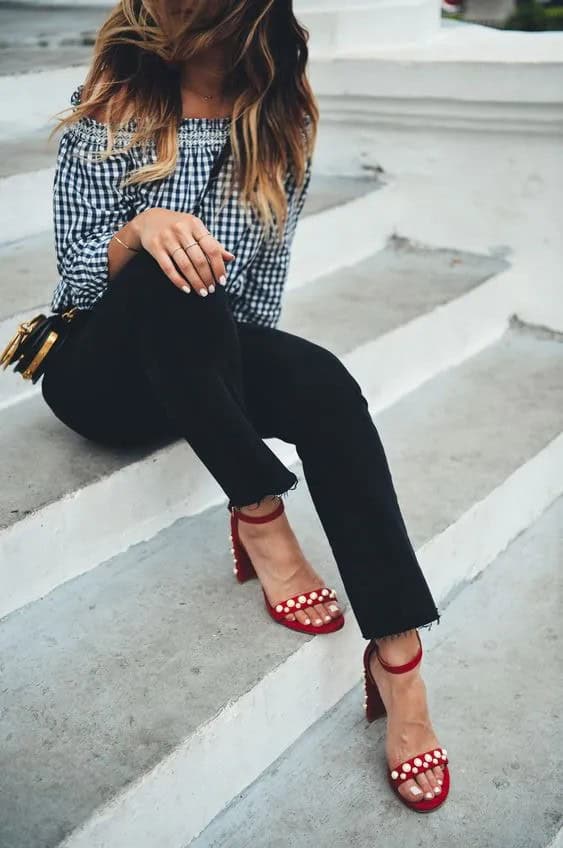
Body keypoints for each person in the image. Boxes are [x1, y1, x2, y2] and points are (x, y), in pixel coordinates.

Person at [40, 0, 449, 812]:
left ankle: (398, 660)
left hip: (195, 357)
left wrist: (222, 375)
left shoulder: (279, 127)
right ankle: (258, 510)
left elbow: (257, 307)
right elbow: (79, 283)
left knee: (325, 383)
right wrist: (140, 231)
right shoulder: (109, 115)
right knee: (168, 261)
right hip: (101, 374)